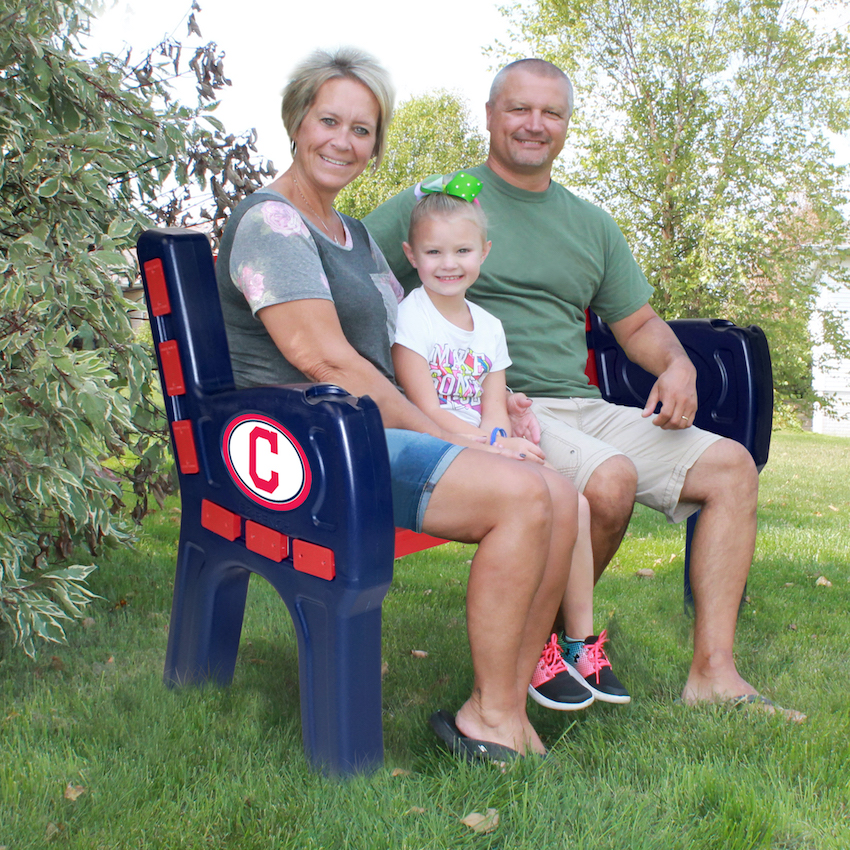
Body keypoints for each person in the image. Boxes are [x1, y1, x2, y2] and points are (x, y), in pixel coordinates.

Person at [365, 58, 805, 721]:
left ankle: (713, 674)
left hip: (584, 404)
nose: (534, 125)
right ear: (490, 116)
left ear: (567, 126)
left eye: (552, 113)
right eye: (519, 109)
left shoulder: (590, 223)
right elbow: (351, 269)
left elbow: (638, 323)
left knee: (731, 468)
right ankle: (545, 650)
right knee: (609, 481)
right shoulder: (441, 204)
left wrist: (677, 365)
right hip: (497, 407)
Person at [215, 46, 586, 761]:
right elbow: (322, 358)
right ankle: (496, 716)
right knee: (521, 497)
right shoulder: (272, 223)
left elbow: (403, 349)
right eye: (329, 120)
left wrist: (492, 405)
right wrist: (456, 441)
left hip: (363, 430)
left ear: (376, 144)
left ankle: (500, 703)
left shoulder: (351, 235)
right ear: (296, 122)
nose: (343, 141)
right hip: (305, 443)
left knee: (560, 494)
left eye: (362, 129)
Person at [391, 174, 629, 708]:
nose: (448, 263)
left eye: (462, 250)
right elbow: (424, 408)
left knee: (576, 502)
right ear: (411, 254)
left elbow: (493, 402)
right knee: (538, 498)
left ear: (484, 253)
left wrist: (503, 438)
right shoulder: (412, 316)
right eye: (433, 251)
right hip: (440, 445)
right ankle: (532, 652)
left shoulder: (490, 327)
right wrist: (495, 448)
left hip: (485, 443)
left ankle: (577, 643)